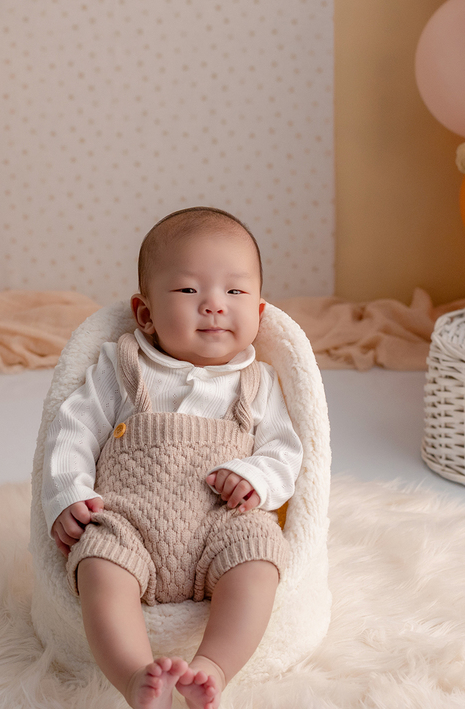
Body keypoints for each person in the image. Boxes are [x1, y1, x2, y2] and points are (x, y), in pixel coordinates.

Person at [42, 207, 303, 709]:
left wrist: (254, 477)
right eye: (188, 291)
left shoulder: (259, 381)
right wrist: (69, 492)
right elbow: (71, 430)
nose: (213, 306)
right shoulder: (121, 367)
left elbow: (285, 453)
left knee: (260, 557)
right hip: (129, 521)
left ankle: (213, 667)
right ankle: (136, 676)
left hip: (222, 525)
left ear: (260, 311)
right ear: (145, 314)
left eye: (235, 291)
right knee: (97, 566)